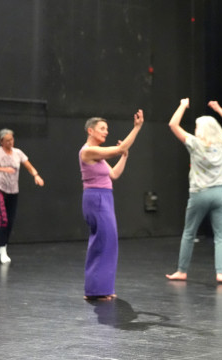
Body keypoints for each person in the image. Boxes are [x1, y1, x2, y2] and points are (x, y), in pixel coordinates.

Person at [165, 99, 222, 284]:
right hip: (220, 193)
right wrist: (219, 109)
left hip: (199, 194)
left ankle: (181, 271)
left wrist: (182, 105)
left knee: (189, 233)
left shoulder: (195, 143)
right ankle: (221, 273)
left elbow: (173, 124)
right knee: (221, 236)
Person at [79, 110, 144, 300]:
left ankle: (99, 289)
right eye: (102, 128)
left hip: (103, 197)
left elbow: (113, 174)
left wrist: (124, 156)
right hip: (97, 198)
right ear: (90, 131)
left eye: (106, 129)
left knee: (105, 242)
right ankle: (97, 291)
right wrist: (137, 127)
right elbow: (118, 149)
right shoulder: (88, 151)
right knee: (105, 242)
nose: (106, 132)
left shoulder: (97, 155)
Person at [0, 129, 45, 264]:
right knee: (3, 219)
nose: (10, 142)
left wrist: (36, 175)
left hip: (13, 190)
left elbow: (28, 165)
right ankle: (2, 248)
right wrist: (3, 169)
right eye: (7, 140)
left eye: (11, 139)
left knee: (10, 220)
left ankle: (3, 246)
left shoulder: (18, 153)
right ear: (1, 141)